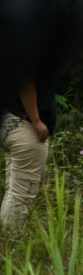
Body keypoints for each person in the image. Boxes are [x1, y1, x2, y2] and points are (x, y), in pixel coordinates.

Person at [1, 78, 55, 229]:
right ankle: (12, 240)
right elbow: (26, 81)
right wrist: (36, 120)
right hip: (26, 127)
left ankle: (7, 238)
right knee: (20, 197)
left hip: (11, 123)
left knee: (13, 193)